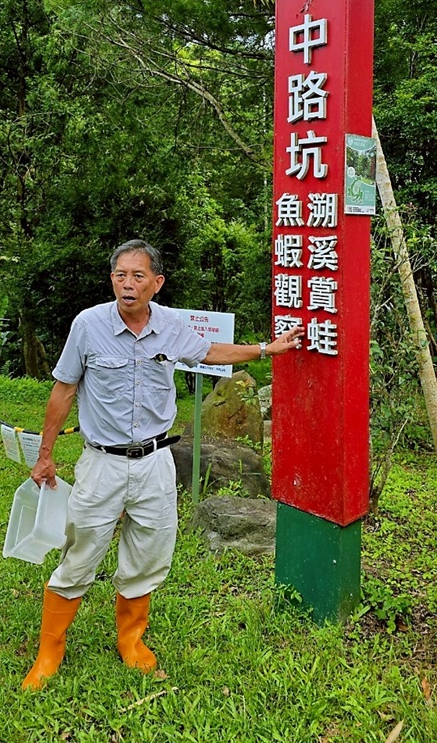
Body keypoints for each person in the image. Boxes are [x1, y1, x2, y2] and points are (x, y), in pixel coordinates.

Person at [22, 239, 303, 690]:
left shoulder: (170, 325)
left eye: (138, 276)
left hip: (156, 461)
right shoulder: (88, 325)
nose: (127, 284)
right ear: (111, 279)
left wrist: (265, 351)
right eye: (120, 275)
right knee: (80, 554)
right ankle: (50, 649)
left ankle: (130, 640)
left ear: (157, 282)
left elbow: (209, 353)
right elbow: (63, 389)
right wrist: (46, 455)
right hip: (102, 464)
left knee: (149, 553)